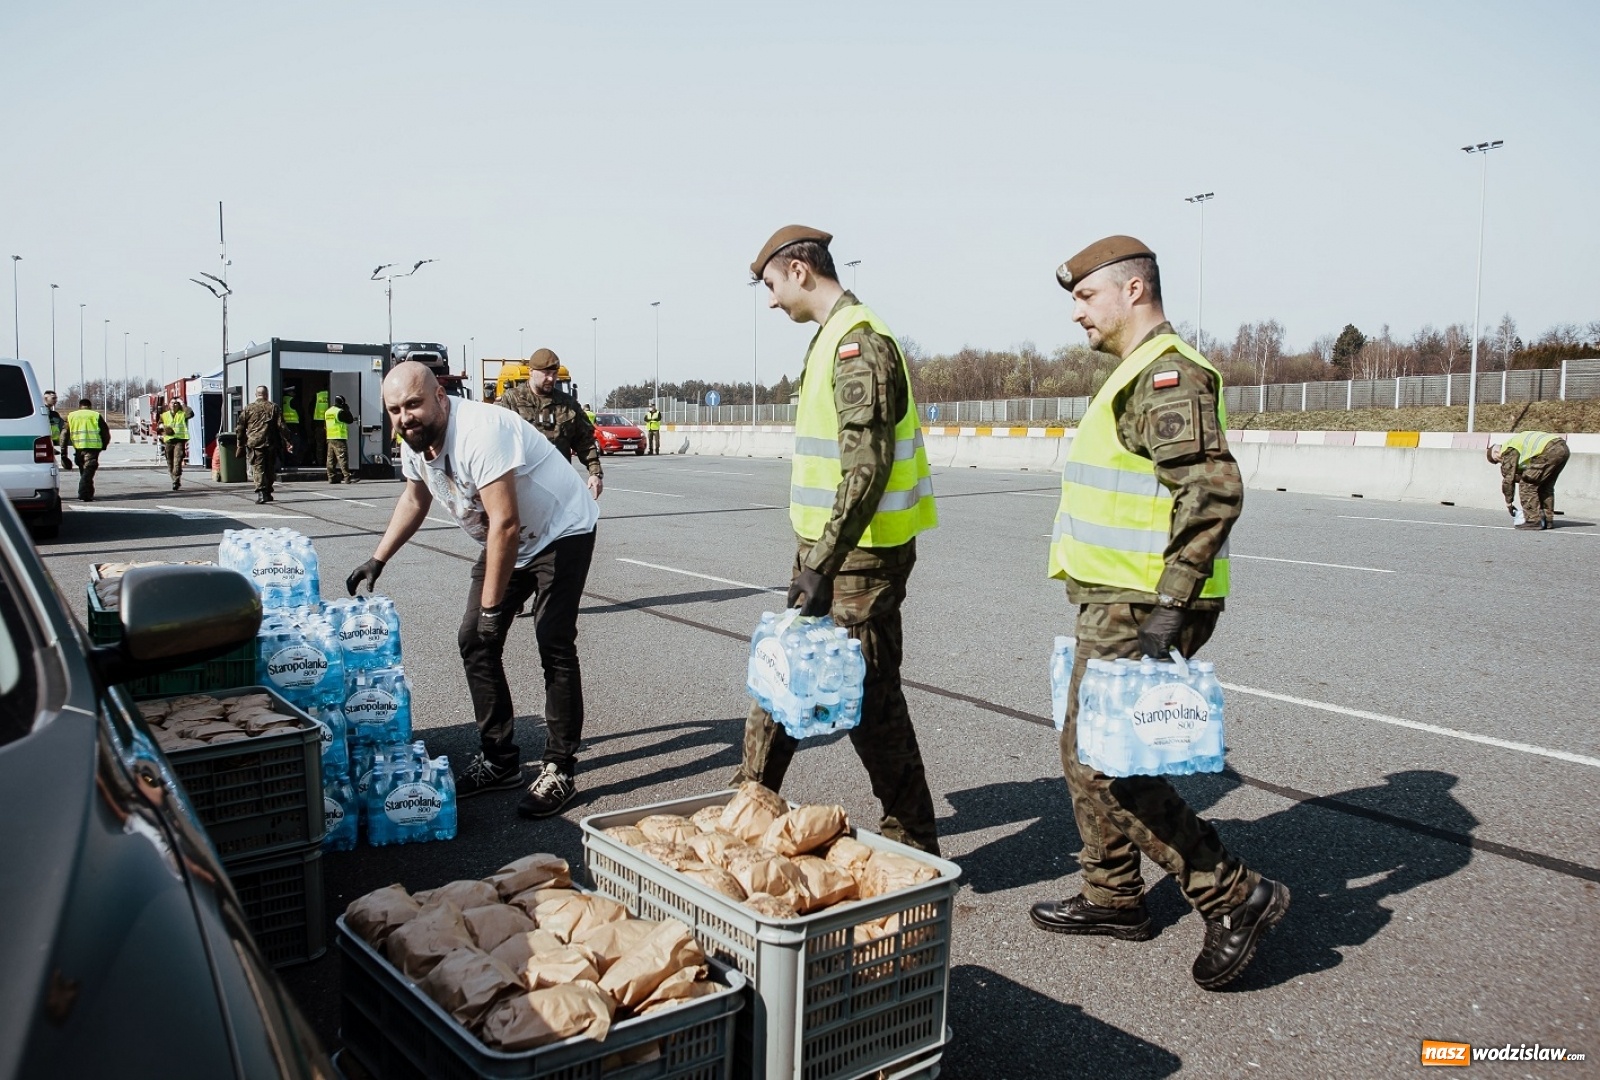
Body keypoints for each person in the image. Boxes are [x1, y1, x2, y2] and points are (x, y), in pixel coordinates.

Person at [1029, 235, 1288, 991]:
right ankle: (1113, 896)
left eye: (1085, 297)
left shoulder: (1167, 374)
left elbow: (1212, 491)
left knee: (1112, 765)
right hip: (1116, 594)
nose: (1076, 314)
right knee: (1086, 753)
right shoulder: (1132, 374)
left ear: (1134, 290)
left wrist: (1169, 608)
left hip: (1145, 601)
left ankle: (1234, 894)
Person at [729, 225, 941, 854]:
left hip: (858, 558)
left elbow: (867, 465)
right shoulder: (832, 341)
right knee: (786, 676)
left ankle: (916, 845)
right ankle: (748, 803)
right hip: (835, 552)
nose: (770, 301)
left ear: (799, 270)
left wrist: (821, 563)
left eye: (771, 285)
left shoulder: (858, 345)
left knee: (870, 701)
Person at [347, 362, 599, 818]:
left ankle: (560, 767)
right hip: (510, 539)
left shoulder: (479, 432)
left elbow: (505, 522)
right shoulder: (415, 441)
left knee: (552, 638)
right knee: (474, 642)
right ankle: (501, 760)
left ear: (440, 398)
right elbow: (415, 497)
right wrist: (378, 557)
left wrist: (491, 609)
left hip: (560, 530)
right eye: (395, 409)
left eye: (414, 404)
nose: (406, 417)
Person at [498, 349, 604, 501]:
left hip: (559, 484)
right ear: (531, 372)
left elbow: (584, 442)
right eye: (546, 373)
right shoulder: (511, 400)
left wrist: (595, 473)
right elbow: (497, 442)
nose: (551, 378)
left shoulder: (568, 404)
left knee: (584, 522)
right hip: (523, 486)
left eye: (554, 374)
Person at [1488, 432, 1569, 530]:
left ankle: (1533, 520)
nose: (1500, 462)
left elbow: (1508, 479)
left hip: (1548, 450)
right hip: (1562, 448)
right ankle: (1547, 520)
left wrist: (1509, 502)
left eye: (1497, 460)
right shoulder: (1516, 442)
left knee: (1526, 484)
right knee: (1545, 486)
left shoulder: (1508, 449)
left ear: (1496, 452)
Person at [236, 386, 292, 504]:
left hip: (255, 443)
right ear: (266, 394)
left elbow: (240, 428)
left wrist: (240, 444)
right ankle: (267, 492)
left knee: (258, 467)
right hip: (270, 442)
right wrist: (288, 440)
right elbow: (281, 426)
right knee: (270, 467)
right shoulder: (273, 407)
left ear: (256, 395)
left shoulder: (248, 408)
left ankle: (261, 492)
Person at [61, 397, 110, 502]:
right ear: (90, 406)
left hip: (78, 448)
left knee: (85, 471)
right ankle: (83, 493)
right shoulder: (95, 415)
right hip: (93, 448)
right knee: (88, 471)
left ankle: (88, 493)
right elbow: (105, 432)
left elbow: (64, 435)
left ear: (79, 406)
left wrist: (63, 453)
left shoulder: (71, 416)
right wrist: (104, 445)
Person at [159, 396, 195, 491]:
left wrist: (183, 404)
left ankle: (176, 479)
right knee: (170, 463)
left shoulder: (183, 414)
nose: (174, 404)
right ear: (169, 405)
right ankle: (175, 481)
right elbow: (159, 425)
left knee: (177, 461)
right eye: (172, 403)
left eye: (176, 403)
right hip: (169, 441)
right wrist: (163, 428)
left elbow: (190, 414)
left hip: (179, 440)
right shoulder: (165, 415)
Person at [324, 394, 359, 484]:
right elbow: (350, 420)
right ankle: (347, 477)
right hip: (339, 438)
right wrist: (347, 410)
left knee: (330, 459)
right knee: (342, 458)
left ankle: (331, 477)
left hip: (330, 437)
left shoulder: (328, 411)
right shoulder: (340, 412)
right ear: (342, 403)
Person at [280, 392, 301, 470]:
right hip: (293, 425)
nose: (294, 393)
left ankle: (286, 460)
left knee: (285, 443)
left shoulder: (283, 400)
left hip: (284, 425)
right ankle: (293, 461)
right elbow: (300, 412)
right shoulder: (292, 400)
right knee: (295, 443)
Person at [312, 388, 330, 468]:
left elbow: (311, 409)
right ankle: (329, 464)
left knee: (320, 445)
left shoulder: (318, 395)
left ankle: (320, 463)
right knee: (330, 446)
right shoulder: (333, 395)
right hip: (331, 424)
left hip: (318, 424)